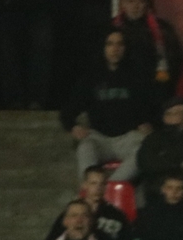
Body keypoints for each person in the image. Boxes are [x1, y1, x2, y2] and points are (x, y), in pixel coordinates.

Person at [61, 30, 154, 180]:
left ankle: (109, 188)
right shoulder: (91, 77)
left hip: (128, 136)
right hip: (100, 137)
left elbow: (153, 106)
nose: (115, 49)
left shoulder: (138, 75)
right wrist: (73, 126)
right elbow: (68, 111)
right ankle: (92, 188)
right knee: (85, 147)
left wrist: (148, 123)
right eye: (110, 44)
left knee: (144, 151)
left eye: (120, 44)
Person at [113, 0, 183, 101]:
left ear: (146, 4)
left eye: (140, 1)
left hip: (153, 91)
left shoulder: (162, 29)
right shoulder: (112, 28)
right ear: (122, 3)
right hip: (119, 89)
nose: (135, 6)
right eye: (130, 1)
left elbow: (174, 60)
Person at [47, 165, 132, 240]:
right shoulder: (71, 214)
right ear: (84, 185)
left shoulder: (116, 215)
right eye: (93, 183)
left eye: (102, 184)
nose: (98, 188)